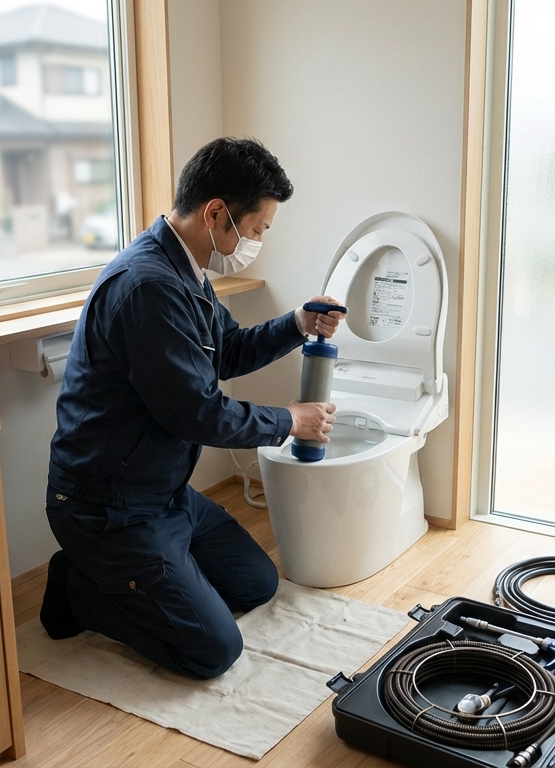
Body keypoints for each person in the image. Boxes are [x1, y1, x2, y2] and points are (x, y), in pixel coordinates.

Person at [38, 137, 346, 680]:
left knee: (256, 584)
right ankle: (79, 589)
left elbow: (226, 351)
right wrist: (289, 422)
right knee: (213, 650)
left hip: (164, 493)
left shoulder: (187, 271)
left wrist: (298, 323)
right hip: (109, 507)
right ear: (216, 213)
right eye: (257, 229)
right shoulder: (148, 287)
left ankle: (150, 574)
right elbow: (198, 414)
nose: (257, 241)